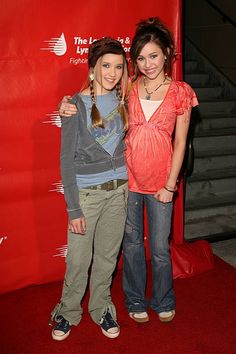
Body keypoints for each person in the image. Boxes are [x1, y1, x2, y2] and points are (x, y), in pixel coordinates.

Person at [58, 17, 198, 324]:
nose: (147, 64)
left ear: (168, 54)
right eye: (141, 58)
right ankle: (134, 299)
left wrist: (170, 185)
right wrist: (65, 105)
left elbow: (181, 143)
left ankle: (162, 299)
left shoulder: (180, 92)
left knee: (159, 249)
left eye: (154, 56)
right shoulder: (128, 91)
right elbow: (92, 100)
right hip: (128, 181)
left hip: (162, 182)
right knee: (132, 246)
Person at [50, 37, 129, 341]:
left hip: (119, 192)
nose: (112, 72)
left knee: (108, 258)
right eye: (106, 65)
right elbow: (65, 160)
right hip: (88, 197)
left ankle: (102, 307)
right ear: (93, 68)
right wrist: (73, 207)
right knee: (79, 261)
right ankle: (68, 311)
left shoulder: (124, 98)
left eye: (119, 66)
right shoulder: (74, 105)